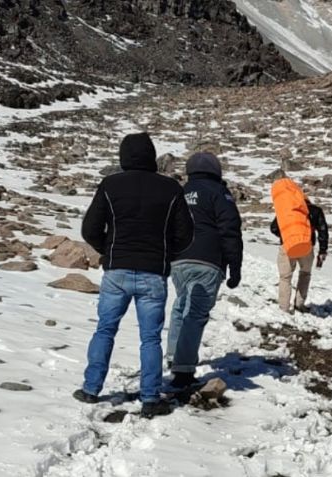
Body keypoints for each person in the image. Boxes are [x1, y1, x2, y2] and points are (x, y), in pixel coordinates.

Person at [74, 132, 194, 419]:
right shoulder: (171, 189)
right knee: (150, 338)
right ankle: (150, 397)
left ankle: (91, 389)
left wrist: (110, 251)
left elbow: (90, 229)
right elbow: (186, 235)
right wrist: (165, 255)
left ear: (124, 156)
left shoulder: (110, 184)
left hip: (117, 270)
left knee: (105, 329)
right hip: (153, 273)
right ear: (151, 156)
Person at [166, 152, 243, 389]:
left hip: (179, 259)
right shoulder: (219, 193)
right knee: (196, 313)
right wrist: (234, 267)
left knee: (181, 305)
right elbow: (230, 229)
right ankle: (183, 369)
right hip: (207, 259)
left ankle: (174, 356)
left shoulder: (180, 192)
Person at [270, 197, 329, 313]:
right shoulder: (315, 210)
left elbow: (274, 228)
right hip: (307, 246)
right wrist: (322, 250)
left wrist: (286, 236)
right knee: (305, 274)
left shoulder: (287, 209)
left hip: (287, 246)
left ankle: (284, 307)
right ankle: (299, 304)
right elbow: (323, 231)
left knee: (285, 277)